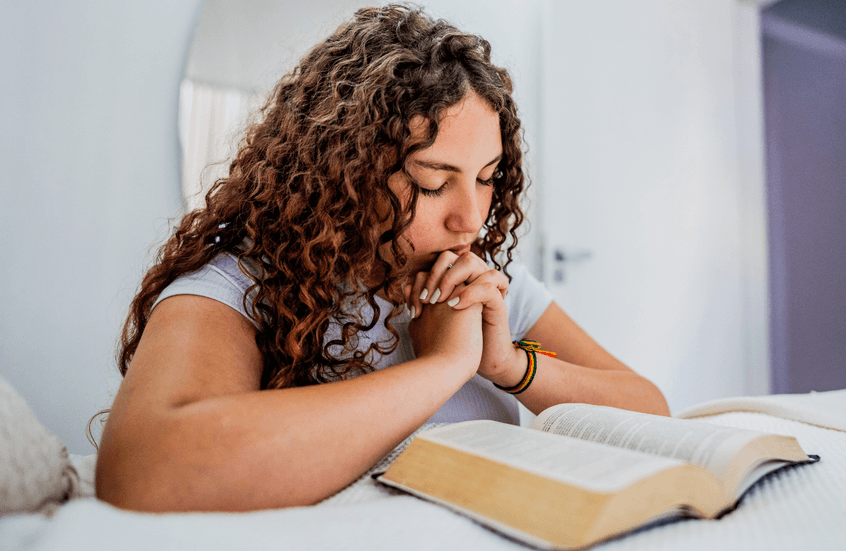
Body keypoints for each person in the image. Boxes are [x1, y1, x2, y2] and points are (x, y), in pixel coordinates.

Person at [95, 3, 669, 513]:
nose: (471, 220)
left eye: (487, 178)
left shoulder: (481, 282)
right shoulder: (242, 281)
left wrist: (508, 365)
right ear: (343, 172)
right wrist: (445, 364)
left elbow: (651, 411)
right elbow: (144, 471)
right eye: (433, 182)